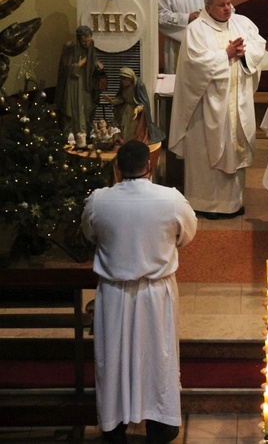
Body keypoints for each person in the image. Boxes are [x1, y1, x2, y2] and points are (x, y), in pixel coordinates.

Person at [82, 140, 197, 444]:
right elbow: (187, 234)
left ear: (116, 168)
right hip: (155, 293)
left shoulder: (99, 201)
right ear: (150, 165)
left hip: (114, 295)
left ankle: (114, 428)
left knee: (114, 359)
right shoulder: (170, 200)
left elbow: (89, 233)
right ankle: (160, 428)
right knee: (158, 359)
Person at [168, 0, 265, 220]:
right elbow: (194, 63)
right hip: (206, 104)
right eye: (221, 5)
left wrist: (244, 53)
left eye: (229, 3)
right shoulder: (196, 29)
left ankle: (234, 202)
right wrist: (225, 55)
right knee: (206, 154)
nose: (227, 8)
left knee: (235, 149)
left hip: (237, 99)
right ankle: (205, 204)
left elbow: (258, 44)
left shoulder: (242, 23)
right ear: (208, 7)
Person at [55, 25, 104, 135]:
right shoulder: (70, 46)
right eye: (84, 41)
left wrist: (97, 63)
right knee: (75, 104)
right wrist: (79, 64)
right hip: (73, 80)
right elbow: (66, 66)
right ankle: (74, 132)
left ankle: (85, 130)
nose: (87, 44)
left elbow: (92, 56)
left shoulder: (90, 44)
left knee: (87, 104)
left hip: (87, 78)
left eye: (88, 41)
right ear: (79, 39)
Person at [104, 67, 166, 144]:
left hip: (135, 113)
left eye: (125, 79)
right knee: (123, 129)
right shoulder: (123, 86)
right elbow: (122, 98)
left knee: (133, 130)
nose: (123, 82)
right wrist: (112, 101)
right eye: (122, 79)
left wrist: (137, 109)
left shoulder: (139, 86)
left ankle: (132, 144)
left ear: (131, 79)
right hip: (125, 111)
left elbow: (144, 103)